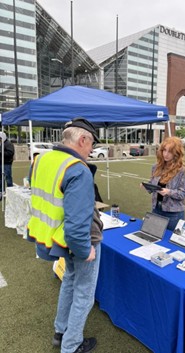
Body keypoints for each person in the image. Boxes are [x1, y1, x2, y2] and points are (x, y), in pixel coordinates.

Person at [27, 117, 102, 353]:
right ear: (82, 140)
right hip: (77, 241)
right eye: (91, 145)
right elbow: (77, 223)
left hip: (56, 239)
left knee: (69, 281)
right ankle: (71, 345)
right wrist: (85, 250)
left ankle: (60, 332)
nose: (91, 151)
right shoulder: (77, 169)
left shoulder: (42, 159)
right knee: (84, 293)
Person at [143, 136, 185, 231]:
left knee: (171, 242)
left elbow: (183, 194)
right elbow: (153, 184)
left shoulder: (183, 170)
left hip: (173, 213)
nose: (166, 154)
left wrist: (169, 192)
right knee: (153, 236)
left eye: (170, 151)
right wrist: (147, 186)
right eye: (164, 150)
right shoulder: (156, 167)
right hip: (156, 209)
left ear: (176, 153)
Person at [0, 132, 15, 200]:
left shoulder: (8, 144)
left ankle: (10, 191)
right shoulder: (1, 143)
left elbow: (10, 153)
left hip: (6, 163)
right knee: (1, 178)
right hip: (1, 163)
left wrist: (1, 152)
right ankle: (1, 191)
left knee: (8, 178)